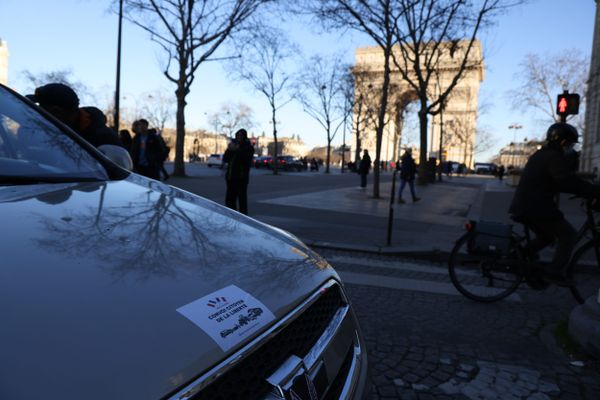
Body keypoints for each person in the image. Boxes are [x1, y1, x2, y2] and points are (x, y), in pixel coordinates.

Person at [509, 123, 600, 284]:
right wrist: (592, 191)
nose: (571, 147)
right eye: (570, 144)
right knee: (568, 235)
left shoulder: (542, 154)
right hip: (537, 207)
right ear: (563, 142)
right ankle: (554, 272)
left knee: (547, 237)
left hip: (526, 205)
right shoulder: (554, 157)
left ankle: (520, 255)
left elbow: (558, 181)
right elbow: (565, 180)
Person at [27, 83, 121, 147]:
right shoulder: (58, 131)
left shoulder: (105, 140)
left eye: (42, 108)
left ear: (57, 112)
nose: (38, 114)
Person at [223, 128, 254, 215]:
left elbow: (246, 161)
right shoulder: (233, 146)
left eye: (241, 136)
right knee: (229, 200)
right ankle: (231, 215)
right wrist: (229, 150)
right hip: (230, 177)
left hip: (241, 179)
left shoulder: (248, 148)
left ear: (244, 137)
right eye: (237, 136)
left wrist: (238, 150)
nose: (239, 138)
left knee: (242, 201)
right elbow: (225, 159)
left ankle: (243, 219)